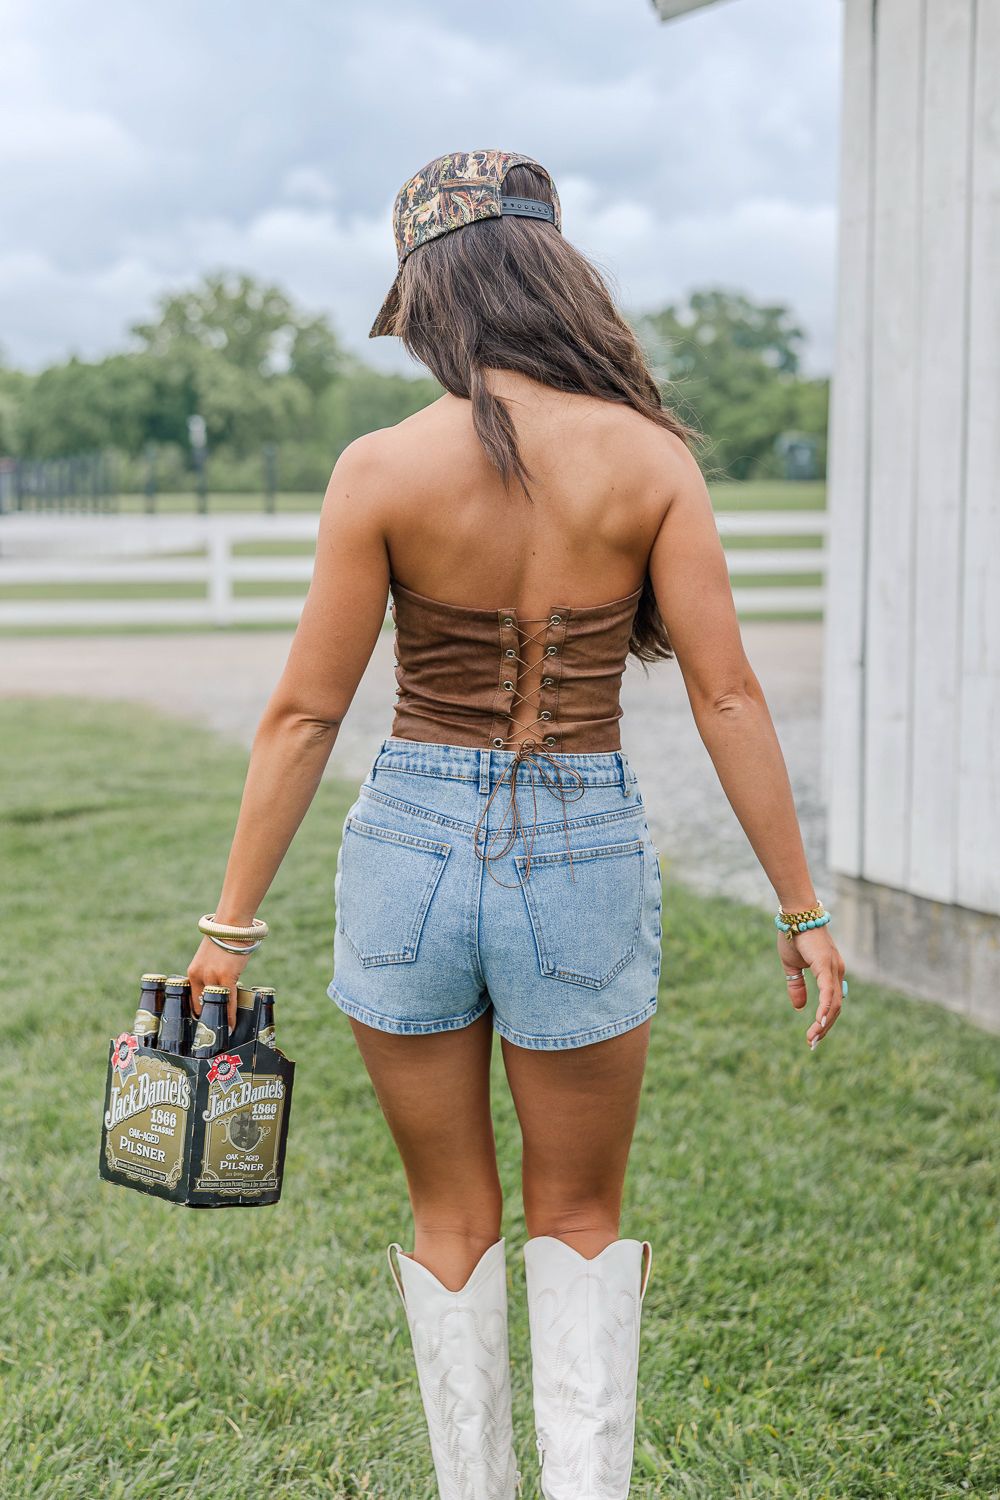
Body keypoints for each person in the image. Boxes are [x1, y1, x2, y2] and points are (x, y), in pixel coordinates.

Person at [187, 149, 846, 1500]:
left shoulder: (381, 467)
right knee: (584, 1215)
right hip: (581, 848)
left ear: (429, 294)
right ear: (554, 276)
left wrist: (228, 929)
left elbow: (305, 716)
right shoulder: (649, 461)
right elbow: (726, 693)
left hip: (408, 849)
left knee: (449, 1217)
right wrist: (802, 907)